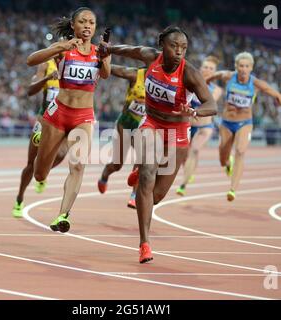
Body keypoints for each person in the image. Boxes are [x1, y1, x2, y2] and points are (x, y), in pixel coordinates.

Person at [99, 26, 217, 263]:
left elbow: (211, 104)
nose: (179, 52)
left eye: (183, 48)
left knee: (158, 195)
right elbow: (129, 50)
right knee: (147, 176)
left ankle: (138, 172)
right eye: (174, 46)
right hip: (151, 123)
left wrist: (194, 110)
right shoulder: (151, 57)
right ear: (162, 44)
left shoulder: (190, 74)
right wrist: (108, 48)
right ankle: (144, 244)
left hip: (178, 131)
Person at [27, 7, 111, 232]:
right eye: (82, 22)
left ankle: (63, 215)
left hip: (83, 116)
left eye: (91, 22)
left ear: (95, 27)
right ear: (73, 26)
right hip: (58, 114)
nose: (87, 26)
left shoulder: (100, 51)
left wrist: (103, 58)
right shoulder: (64, 49)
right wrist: (60, 47)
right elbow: (30, 60)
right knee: (40, 173)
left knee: (78, 166)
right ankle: (40, 138)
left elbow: (105, 74)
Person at [206, 52, 281, 201]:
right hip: (227, 122)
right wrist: (206, 81)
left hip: (245, 123)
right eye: (241, 65)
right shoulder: (229, 76)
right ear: (236, 66)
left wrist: (278, 98)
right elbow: (217, 75)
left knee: (240, 151)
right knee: (222, 158)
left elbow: (274, 93)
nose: (243, 69)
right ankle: (228, 163)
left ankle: (232, 189)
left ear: (251, 68)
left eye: (247, 66)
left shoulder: (256, 83)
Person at [12, 60, 68, 218]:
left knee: (61, 154)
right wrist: (47, 78)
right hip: (44, 118)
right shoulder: (46, 64)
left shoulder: (75, 62)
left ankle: (43, 171)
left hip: (64, 120)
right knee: (30, 164)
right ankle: (19, 198)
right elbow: (30, 90)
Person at [98, 64, 146, 209]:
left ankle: (134, 195)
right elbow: (117, 70)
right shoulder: (136, 75)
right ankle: (105, 175)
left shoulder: (162, 83)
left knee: (142, 158)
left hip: (143, 127)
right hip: (125, 124)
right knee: (117, 165)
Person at [176, 56, 223, 196]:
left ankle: (183, 185)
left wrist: (204, 82)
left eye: (211, 68)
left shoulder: (217, 90)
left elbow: (208, 101)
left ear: (215, 72)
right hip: (187, 125)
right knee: (183, 154)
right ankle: (189, 171)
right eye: (205, 67)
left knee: (194, 151)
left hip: (205, 127)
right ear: (200, 68)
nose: (208, 70)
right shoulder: (191, 83)